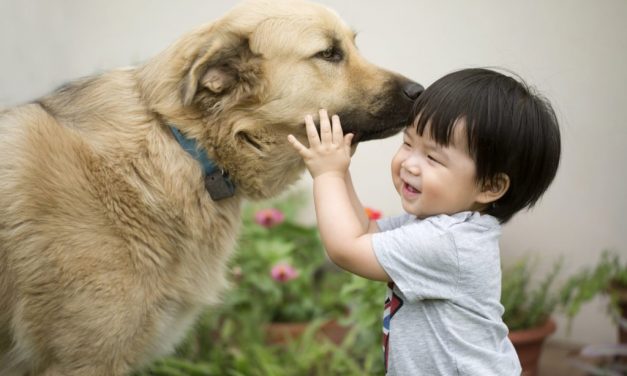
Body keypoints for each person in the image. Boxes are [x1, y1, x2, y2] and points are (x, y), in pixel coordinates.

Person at [287, 68, 561, 375]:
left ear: (490, 187)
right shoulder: (437, 226)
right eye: (407, 143)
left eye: (433, 158)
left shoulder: (449, 242)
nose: (410, 163)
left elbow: (346, 249)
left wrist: (328, 174)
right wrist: (342, 169)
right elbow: (363, 231)